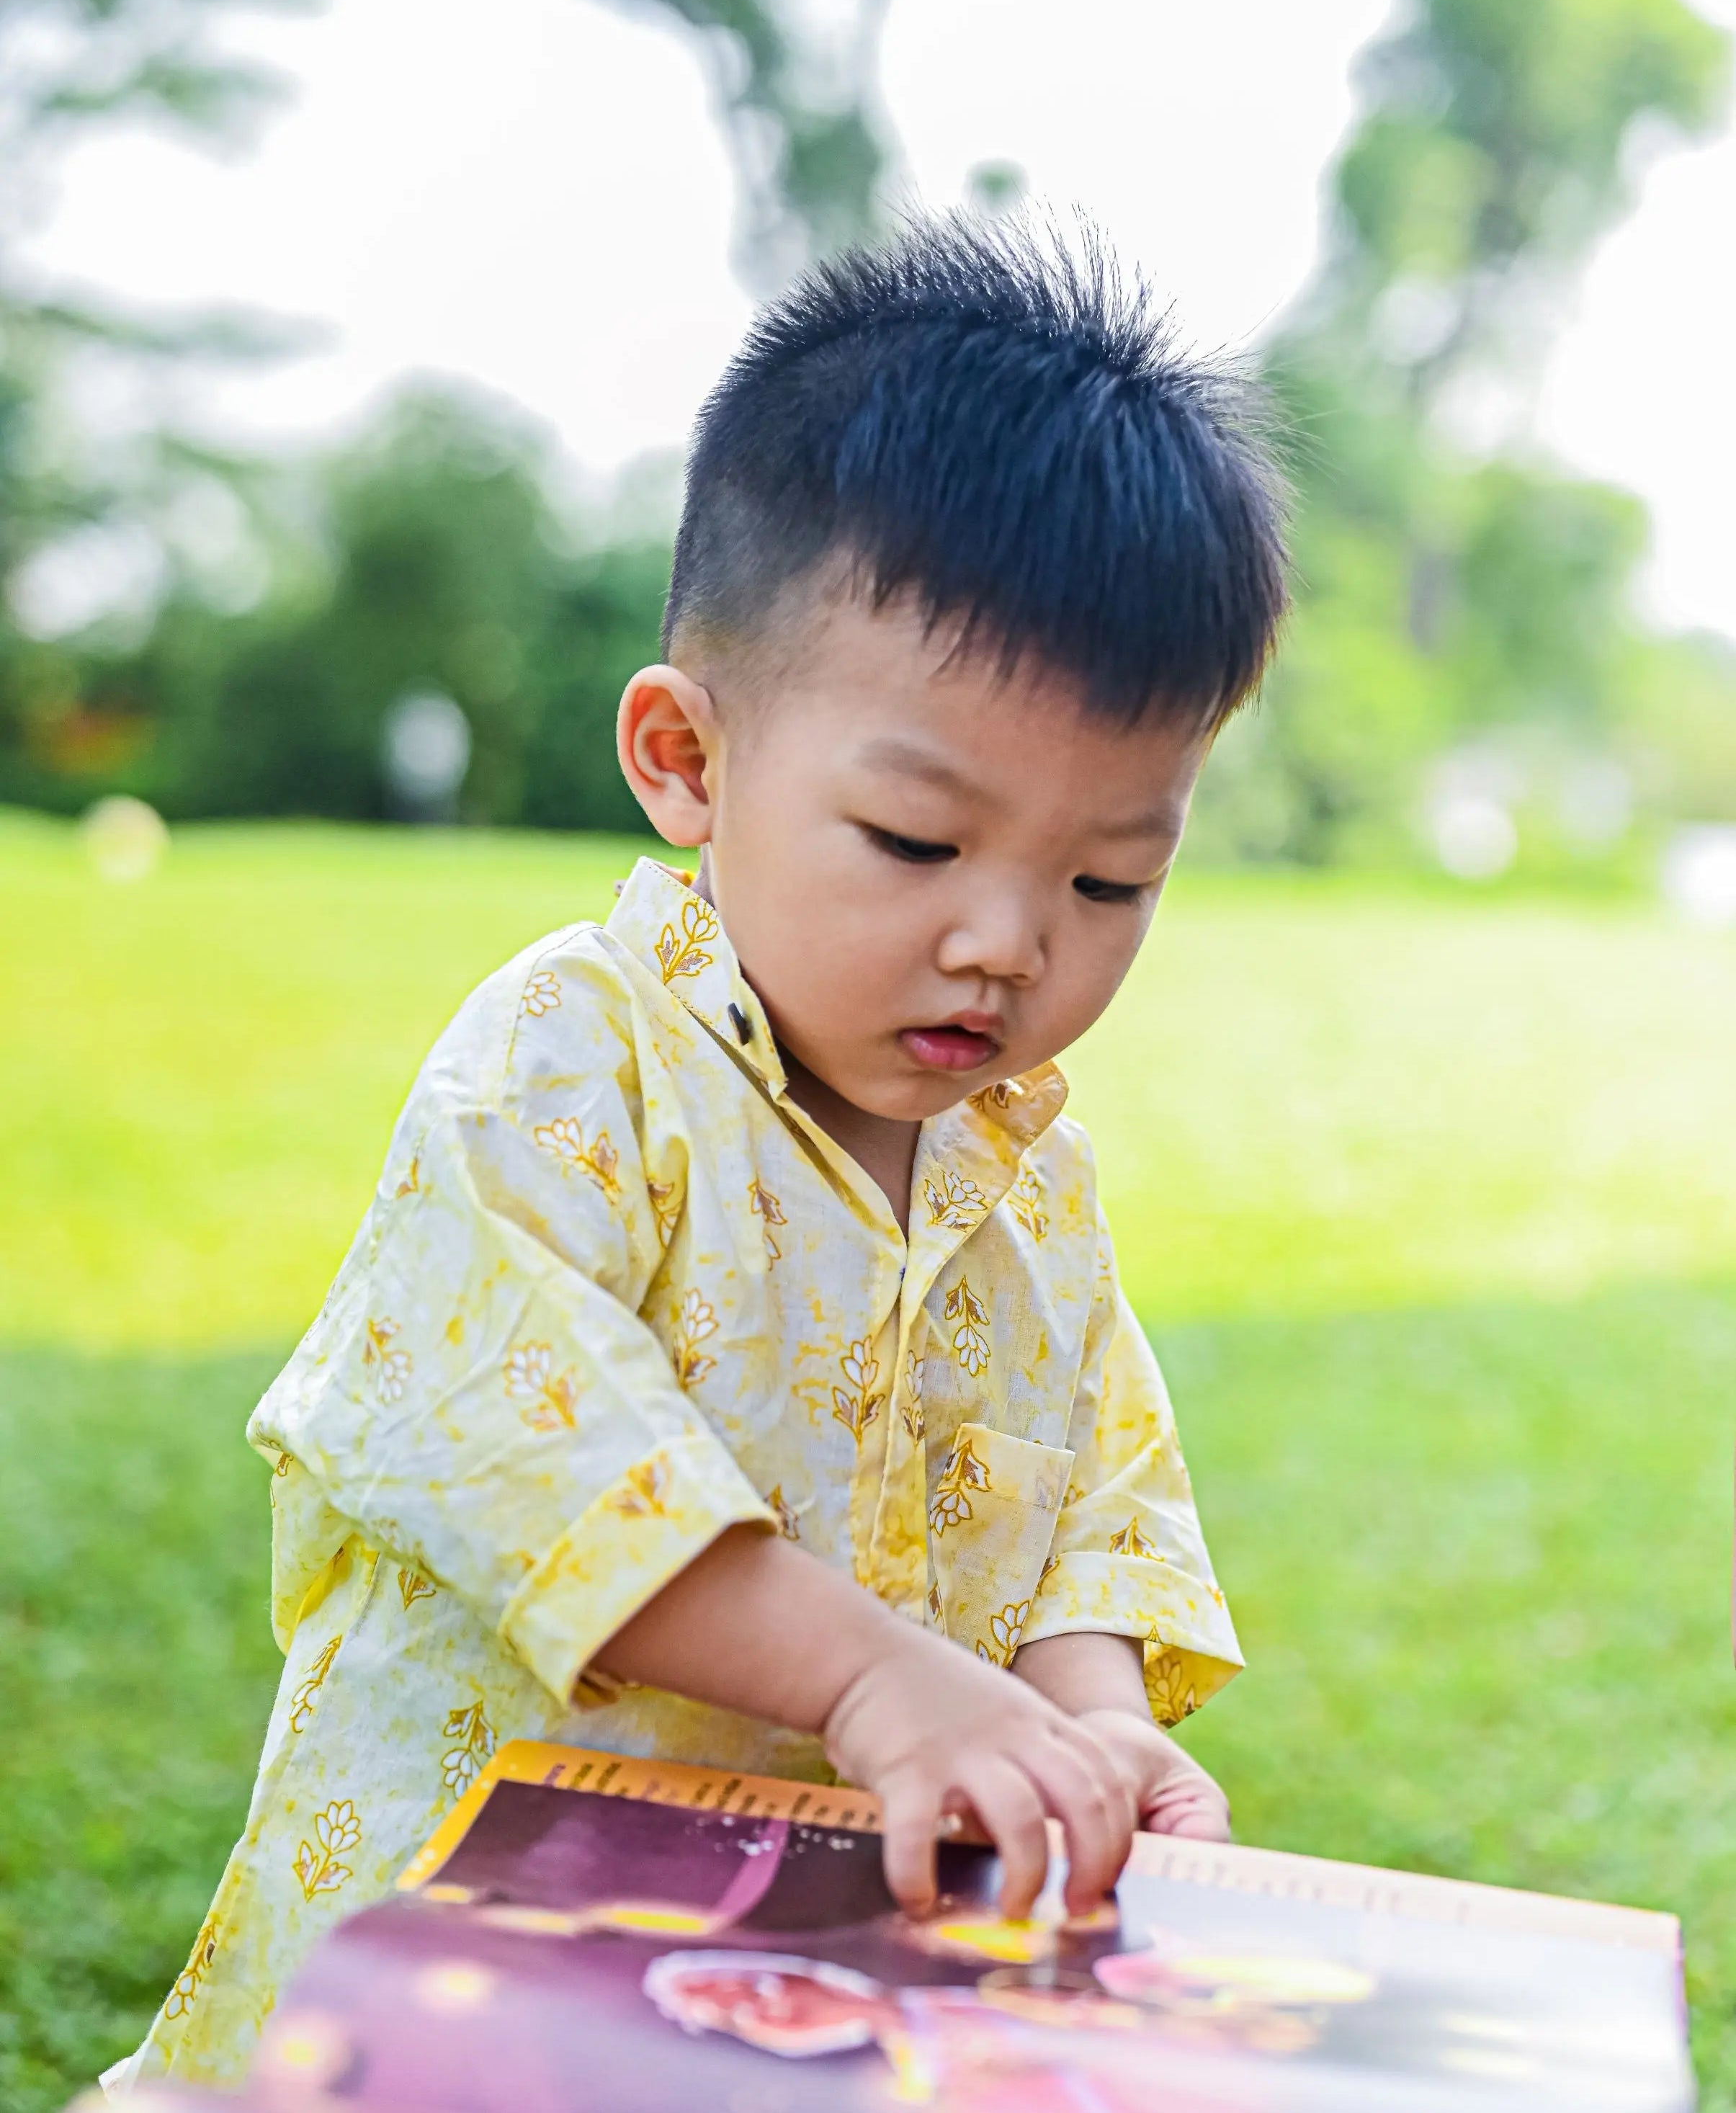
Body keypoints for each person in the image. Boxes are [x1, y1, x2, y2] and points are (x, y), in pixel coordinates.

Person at [107, 214, 1288, 2095]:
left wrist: (1083, 1722)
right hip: (466, 1965)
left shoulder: (1022, 1176)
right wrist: (871, 1673)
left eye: (1106, 875)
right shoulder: (569, 1061)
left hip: (785, 1976)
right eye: (916, 841)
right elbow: (532, 1444)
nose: (1008, 937)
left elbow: (1089, 1501)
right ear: (684, 758)